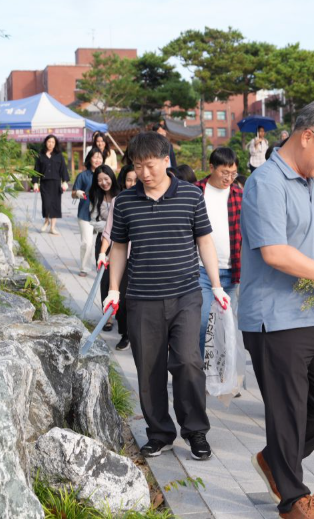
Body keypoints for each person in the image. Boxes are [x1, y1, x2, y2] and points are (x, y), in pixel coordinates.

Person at [240, 99, 314, 519]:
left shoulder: (311, 182)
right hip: (276, 317)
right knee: (288, 410)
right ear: (307, 135)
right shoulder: (266, 182)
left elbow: (312, 247)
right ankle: (293, 497)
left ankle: (276, 459)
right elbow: (274, 253)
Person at [104, 132, 229, 461]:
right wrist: (114, 289)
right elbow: (119, 248)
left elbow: (205, 241)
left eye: (149, 165)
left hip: (186, 293)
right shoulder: (127, 202)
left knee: (188, 361)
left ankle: (196, 431)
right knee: (149, 368)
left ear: (165, 161)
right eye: (137, 166)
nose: (144, 173)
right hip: (142, 298)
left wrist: (216, 285)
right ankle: (160, 433)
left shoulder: (190, 195)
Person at [195, 147, 243, 358]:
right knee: (203, 321)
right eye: (224, 172)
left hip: (231, 271)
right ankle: (198, 371)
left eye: (233, 174)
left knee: (225, 324)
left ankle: (221, 373)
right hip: (201, 269)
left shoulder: (240, 194)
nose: (229, 178)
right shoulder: (195, 191)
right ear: (211, 167)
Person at [99, 164, 138, 350]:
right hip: (122, 257)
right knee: (121, 299)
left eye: (135, 180)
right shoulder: (119, 201)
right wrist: (102, 253)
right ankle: (125, 334)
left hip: (142, 258)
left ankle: (137, 334)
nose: (132, 183)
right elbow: (108, 231)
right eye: (129, 180)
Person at [89, 164, 118, 330]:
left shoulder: (121, 194)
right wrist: (110, 226)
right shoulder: (95, 196)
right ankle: (107, 317)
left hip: (121, 243)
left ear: (111, 177)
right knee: (104, 279)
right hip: (103, 243)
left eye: (106, 179)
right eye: (100, 180)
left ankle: (121, 313)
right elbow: (93, 221)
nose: (104, 183)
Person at [72, 148, 102, 277]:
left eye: (99, 157)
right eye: (95, 157)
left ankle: (102, 266)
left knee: (103, 242)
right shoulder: (83, 175)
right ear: (90, 159)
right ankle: (84, 268)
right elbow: (73, 193)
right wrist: (78, 193)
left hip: (102, 213)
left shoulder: (105, 174)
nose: (97, 160)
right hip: (85, 213)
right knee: (87, 242)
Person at [31, 134, 69, 235]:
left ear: (55, 144)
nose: (50, 144)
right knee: (46, 204)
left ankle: (53, 227)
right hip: (44, 183)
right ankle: (46, 222)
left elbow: (63, 169)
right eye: (49, 142)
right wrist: (35, 183)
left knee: (55, 205)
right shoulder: (40, 155)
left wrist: (64, 181)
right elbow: (36, 170)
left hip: (56, 183)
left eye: (53, 142)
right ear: (45, 142)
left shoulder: (59, 155)